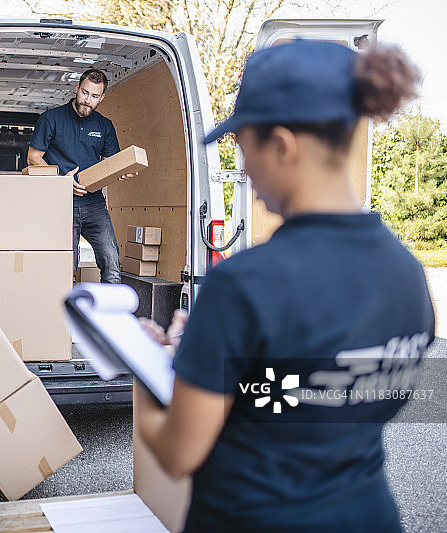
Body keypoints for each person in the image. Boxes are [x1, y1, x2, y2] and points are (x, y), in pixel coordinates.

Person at [136, 40, 432, 532]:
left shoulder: (244, 285)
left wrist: (145, 367)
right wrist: (210, 348)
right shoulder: (407, 273)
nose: (245, 171)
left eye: (244, 148)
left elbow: (176, 453)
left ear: (282, 145)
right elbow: (315, 381)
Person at [28, 68, 135, 283]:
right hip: (61, 204)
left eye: (94, 96)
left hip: (94, 204)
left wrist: (121, 172)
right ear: (77, 88)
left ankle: (108, 316)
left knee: (112, 263)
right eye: (85, 93)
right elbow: (33, 157)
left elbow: (111, 164)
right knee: (67, 270)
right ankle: (66, 315)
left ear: (102, 97)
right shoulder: (51, 119)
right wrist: (61, 182)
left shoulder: (104, 125)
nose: (87, 100)